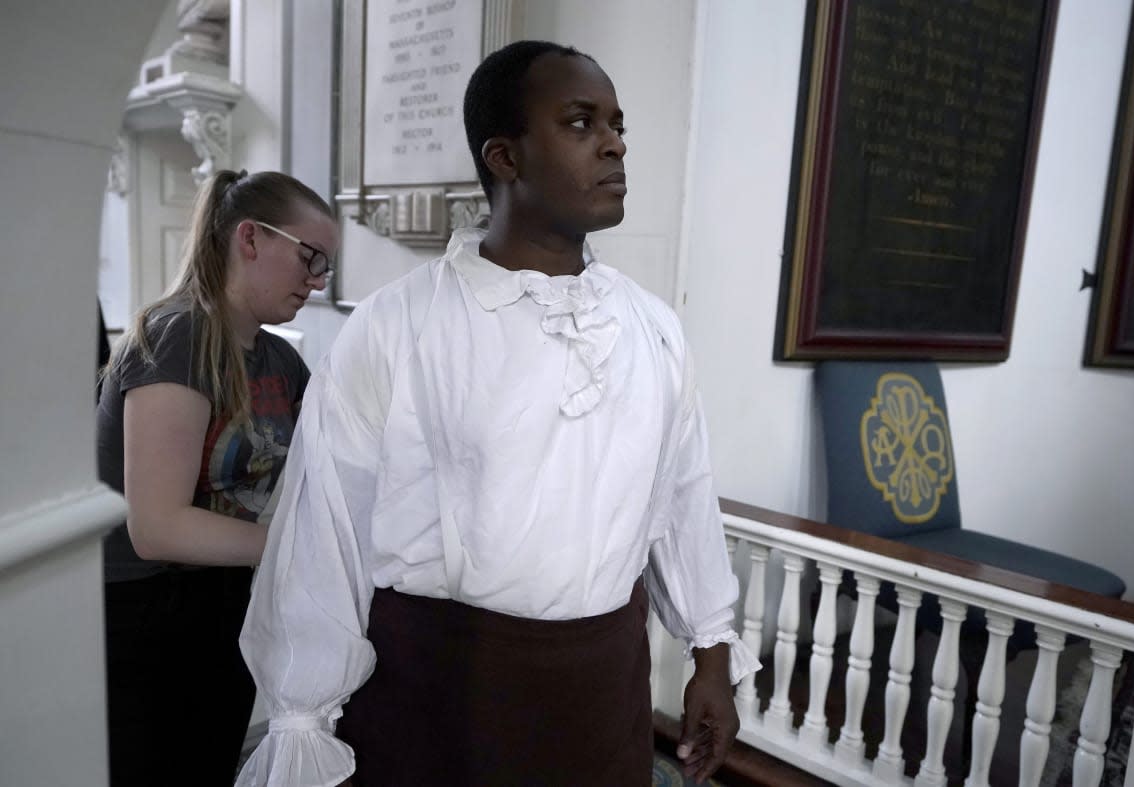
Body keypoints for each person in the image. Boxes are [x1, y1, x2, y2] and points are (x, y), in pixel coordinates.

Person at [235, 41, 759, 787]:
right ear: (505, 157)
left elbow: (681, 496)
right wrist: (301, 717)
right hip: (439, 706)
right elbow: (326, 538)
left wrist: (713, 654)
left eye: (617, 125)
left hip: (601, 700)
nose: (613, 143)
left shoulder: (652, 329)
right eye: (581, 123)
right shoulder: (396, 328)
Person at [97, 169, 339, 786]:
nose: (316, 280)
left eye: (325, 267)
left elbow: (335, 459)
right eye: (310, 257)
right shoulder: (179, 335)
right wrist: (302, 547)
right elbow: (157, 526)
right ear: (251, 239)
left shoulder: (280, 357)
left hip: (224, 596)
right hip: (145, 607)